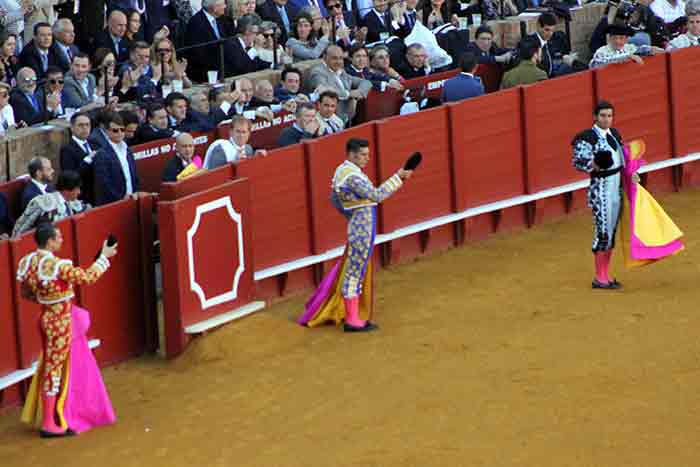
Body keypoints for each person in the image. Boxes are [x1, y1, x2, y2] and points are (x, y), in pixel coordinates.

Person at [298, 138, 412, 331]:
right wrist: (399, 177)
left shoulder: (343, 171)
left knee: (354, 270)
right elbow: (376, 195)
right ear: (351, 154)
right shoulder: (352, 177)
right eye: (363, 154)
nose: (368, 158)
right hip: (361, 229)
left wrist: (349, 213)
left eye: (368, 154)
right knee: (354, 273)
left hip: (357, 225)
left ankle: (351, 315)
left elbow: (334, 199)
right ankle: (352, 320)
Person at [17, 222, 117, 437]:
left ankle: (56, 416)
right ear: (50, 241)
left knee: (52, 366)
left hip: (44, 317)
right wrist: (104, 257)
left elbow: (25, 293)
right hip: (60, 321)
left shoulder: (28, 262)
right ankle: (48, 424)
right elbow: (88, 277)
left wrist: (47, 299)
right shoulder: (57, 265)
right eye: (59, 237)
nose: (61, 240)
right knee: (54, 369)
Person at [572, 101, 631, 289]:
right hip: (601, 188)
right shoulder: (587, 137)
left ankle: (606, 274)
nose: (607, 119)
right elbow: (579, 162)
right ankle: (600, 277)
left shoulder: (615, 134)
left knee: (611, 231)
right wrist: (595, 164)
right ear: (595, 117)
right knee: (603, 232)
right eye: (603, 116)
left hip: (616, 186)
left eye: (610, 116)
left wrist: (631, 173)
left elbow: (624, 158)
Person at [306, 45, 372, 124]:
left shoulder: (341, 72)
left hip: (347, 119)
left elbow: (366, 82)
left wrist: (360, 92)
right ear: (325, 58)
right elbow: (325, 90)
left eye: (341, 58)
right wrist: (349, 94)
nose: (339, 61)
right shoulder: (318, 72)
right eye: (334, 58)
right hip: (328, 121)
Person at [12, 171, 89, 237]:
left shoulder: (69, 201)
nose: (79, 192)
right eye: (77, 189)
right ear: (66, 191)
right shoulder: (47, 206)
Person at [93, 113, 140, 206]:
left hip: (131, 199)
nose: (120, 133)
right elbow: (104, 184)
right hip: (114, 203)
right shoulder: (102, 154)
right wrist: (120, 199)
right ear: (107, 131)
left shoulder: (127, 150)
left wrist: (135, 193)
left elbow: (133, 175)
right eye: (115, 130)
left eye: (122, 130)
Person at [60, 112, 96, 204]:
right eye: (80, 125)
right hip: (82, 198)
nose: (85, 128)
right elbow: (70, 177)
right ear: (72, 128)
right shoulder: (67, 149)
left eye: (87, 125)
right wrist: (87, 161)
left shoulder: (95, 144)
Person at [589, 24, 664, 68]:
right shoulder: (602, 51)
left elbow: (639, 49)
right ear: (609, 39)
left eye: (621, 38)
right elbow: (597, 64)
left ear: (626, 39)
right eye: (614, 38)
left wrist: (650, 49)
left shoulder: (629, 47)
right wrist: (627, 56)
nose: (617, 41)